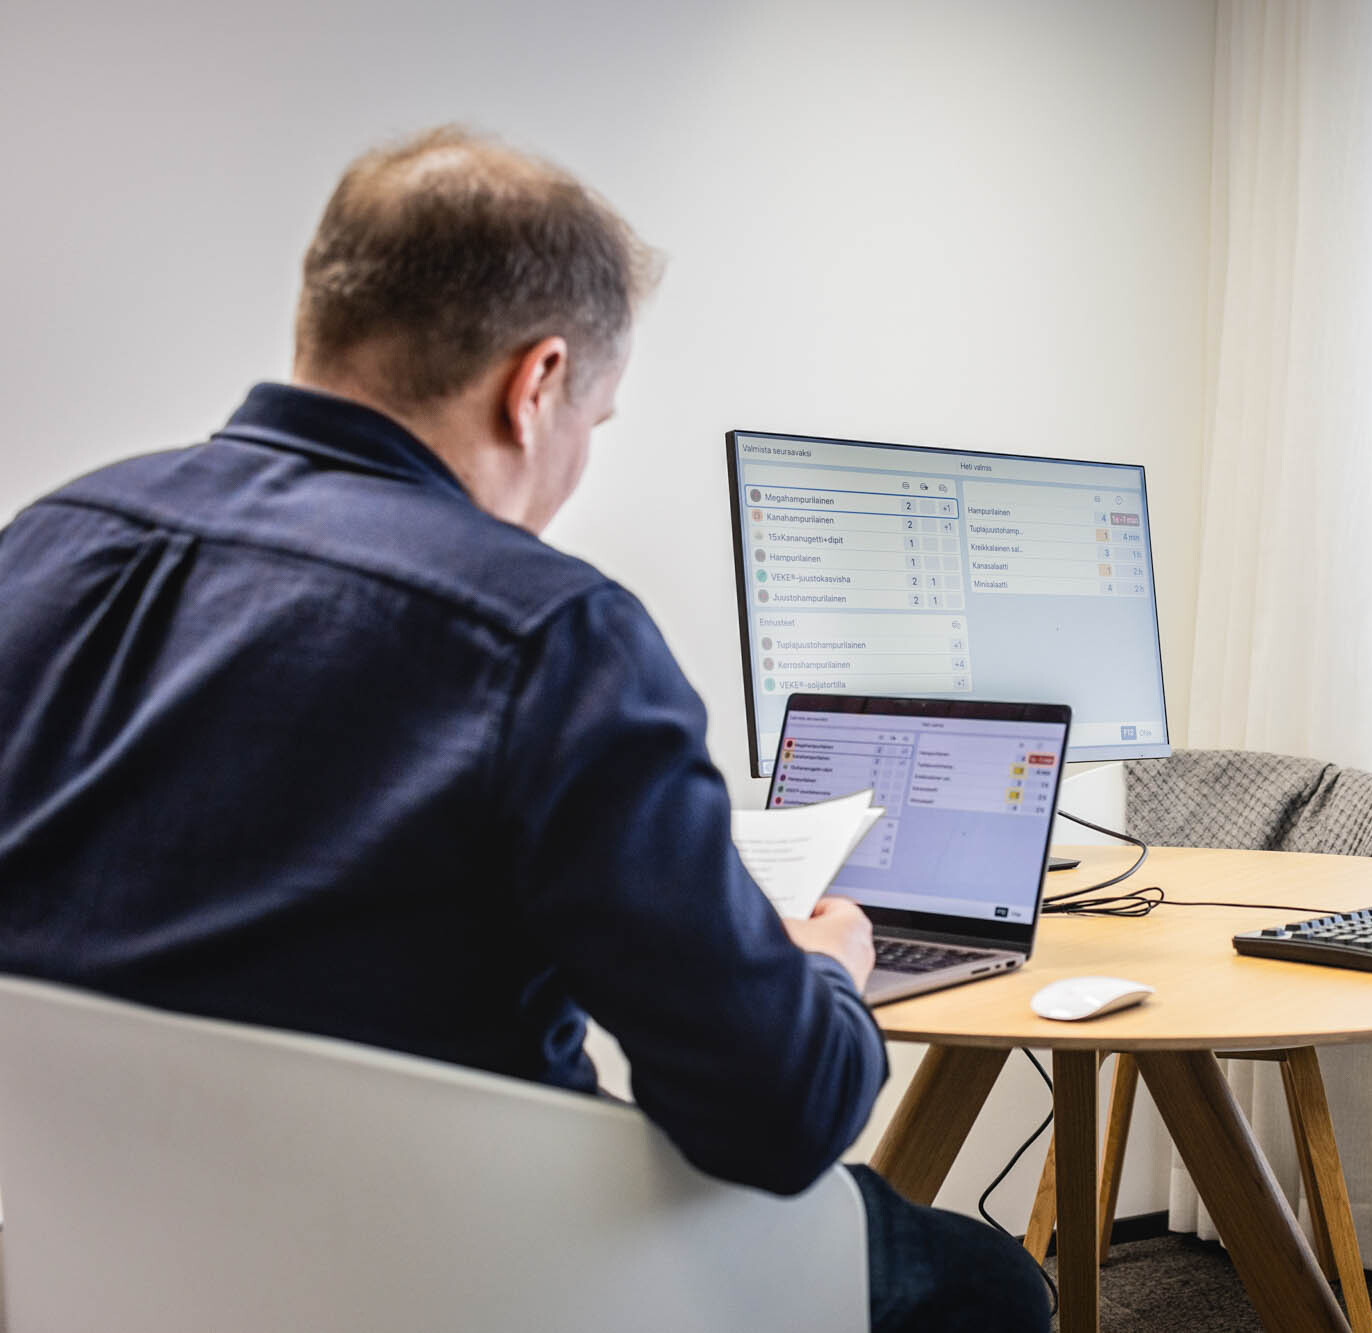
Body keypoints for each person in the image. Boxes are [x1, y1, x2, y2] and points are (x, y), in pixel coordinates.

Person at [0, 127, 1048, 1333]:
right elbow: (775, 1117)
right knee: (984, 1284)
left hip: (112, 1263)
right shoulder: (546, 634)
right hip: (466, 1270)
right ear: (535, 381)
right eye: (595, 421)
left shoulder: (43, 549)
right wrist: (826, 962)